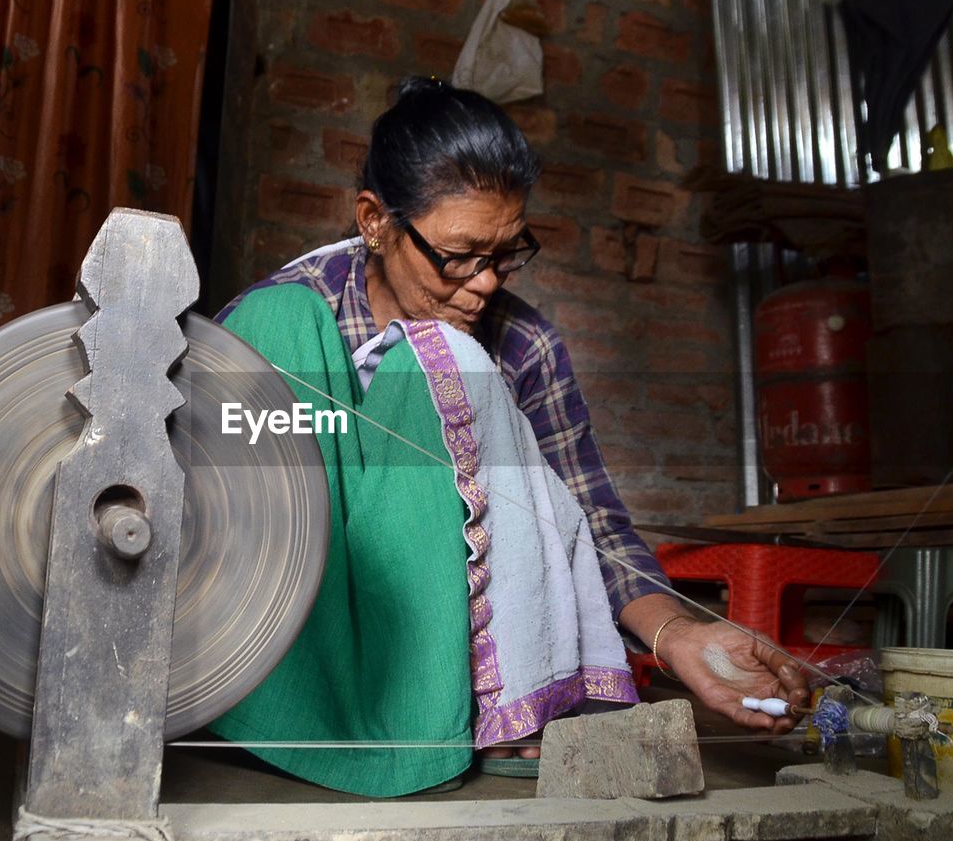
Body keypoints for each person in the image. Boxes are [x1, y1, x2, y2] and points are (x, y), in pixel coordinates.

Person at [209, 76, 808, 797]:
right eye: (461, 254)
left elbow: (591, 516)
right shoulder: (290, 317)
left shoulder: (521, 344)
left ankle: (465, 709)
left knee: (454, 360)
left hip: (436, 675)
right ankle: (309, 720)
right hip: (300, 644)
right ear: (375, 220)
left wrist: (679, 639)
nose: (488, 281)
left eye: (508, 250)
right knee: (281, 338)